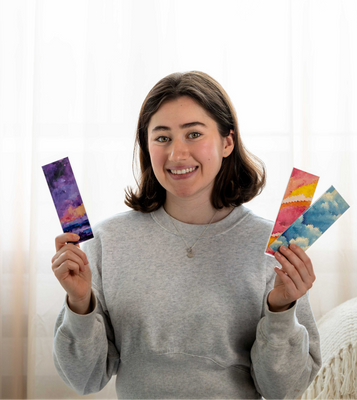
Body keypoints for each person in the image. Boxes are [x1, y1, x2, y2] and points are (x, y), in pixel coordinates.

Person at [51, 71, 322, 399]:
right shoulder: (106, 241)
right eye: (162, 138)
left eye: (194, 134)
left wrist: (281, 310)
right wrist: (80, 305)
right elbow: (84, 379)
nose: (177, 154)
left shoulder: (273, 248)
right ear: (146, 146)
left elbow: (285, 390)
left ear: (227, 142)